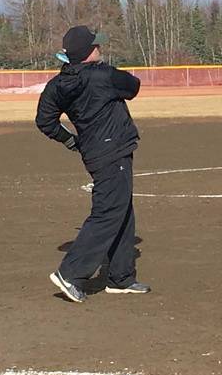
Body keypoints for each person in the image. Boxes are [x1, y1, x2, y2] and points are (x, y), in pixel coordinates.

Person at [37, 25, 147, 302]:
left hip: (96, 152)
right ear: (88, 53)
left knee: (122, 210)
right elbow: (133, 86)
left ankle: (121, 277)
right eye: (96, 46)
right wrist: (106, 71)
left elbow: (45, 121)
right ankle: (70, 273)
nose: (100, 49)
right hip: (112, 153)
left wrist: (70, 140)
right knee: (108, 212)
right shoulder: (102, 76)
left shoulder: (58, 84)